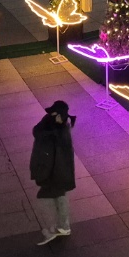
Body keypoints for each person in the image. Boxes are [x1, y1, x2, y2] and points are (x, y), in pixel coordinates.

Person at [30, 99, 77, 245]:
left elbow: (58, 158)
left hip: (55, 172)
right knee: (60, 196)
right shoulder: (50, 123)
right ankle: (63, 226)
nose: (52, 116)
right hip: (55, 172)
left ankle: (50, 230)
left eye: (55, 114)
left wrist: (46, 173)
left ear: (61, 115)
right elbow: (37, 131)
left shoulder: (60, 134)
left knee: (45, 198)